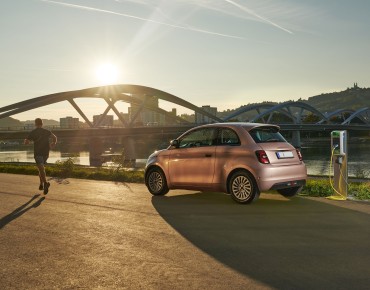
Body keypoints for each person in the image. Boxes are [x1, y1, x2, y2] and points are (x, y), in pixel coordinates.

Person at [24, 118, 57, 194]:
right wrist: (53, 143)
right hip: (46, 153)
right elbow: (55, 138)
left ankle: (45, 183)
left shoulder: (33, 132)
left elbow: (26, 142)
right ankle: (41, 184)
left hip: (38, 153)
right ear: (42, 124)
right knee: (41, 169)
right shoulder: (47, 131)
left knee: (41, 169)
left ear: (35, 124)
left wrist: (26, 142)